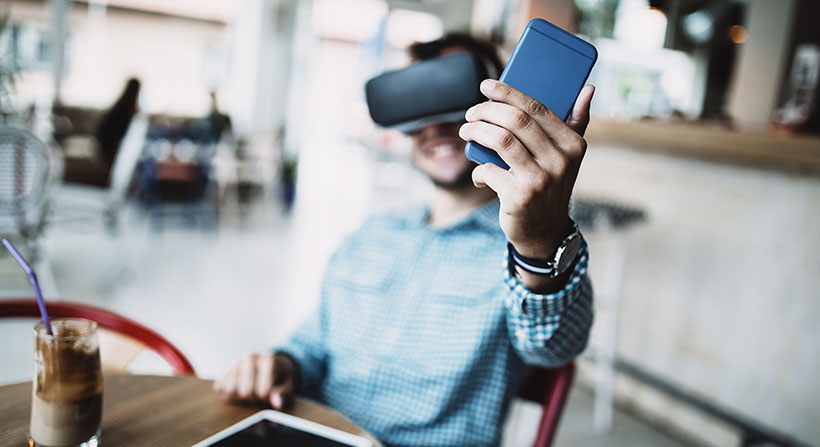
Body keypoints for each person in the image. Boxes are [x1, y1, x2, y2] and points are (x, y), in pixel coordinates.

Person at [215, 34, 595, 447]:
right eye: (419, 101)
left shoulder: (525, 252)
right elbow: (313, 344)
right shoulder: (371, 235)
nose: (435, 125)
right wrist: (283, 364)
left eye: (458, 97)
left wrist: (539, 246)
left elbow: (554, 347)